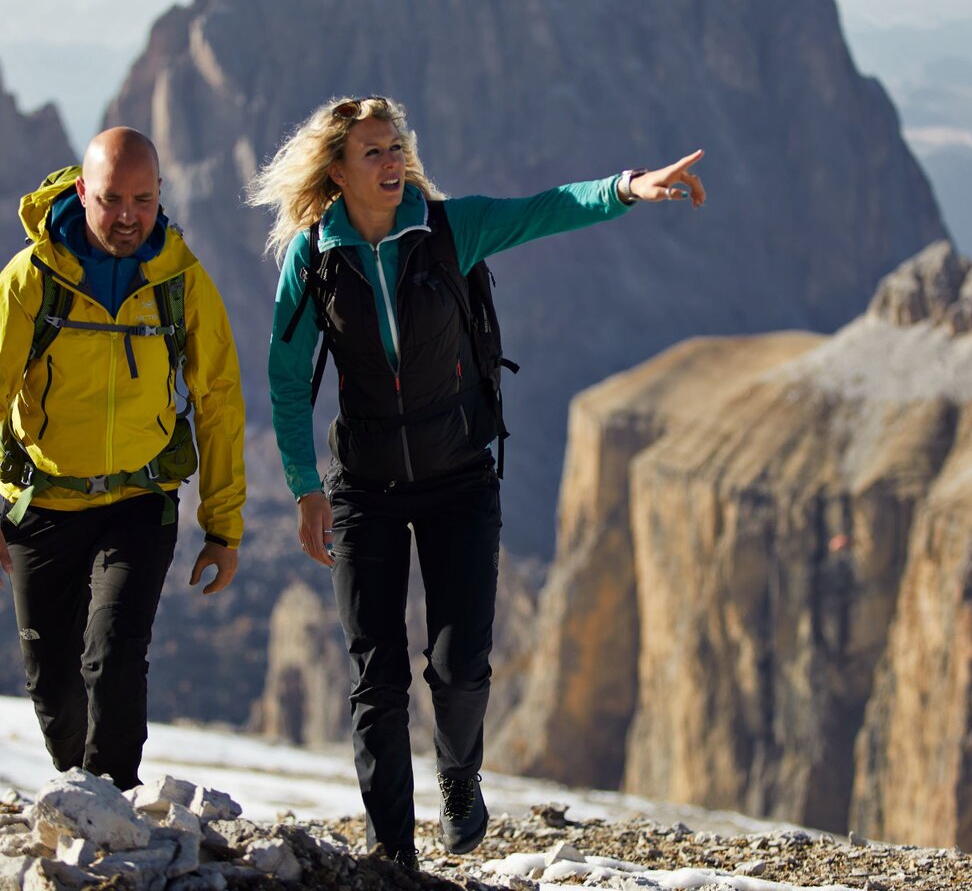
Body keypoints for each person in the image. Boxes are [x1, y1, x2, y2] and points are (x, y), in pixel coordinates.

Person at [250, 95, 705, 868]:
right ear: (337, 170)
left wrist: (628, 186)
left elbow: (545, 210)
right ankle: (393, 853)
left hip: (460, 477)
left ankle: (460, 780)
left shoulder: (449, 228)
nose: (393, 163)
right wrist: (306, 486)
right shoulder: (313, 258)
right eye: (373, 153)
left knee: (459, 667)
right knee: (376, 677)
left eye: (396, 148)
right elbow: (288, 380)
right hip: (365, 488)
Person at [0, 127, 246, 791]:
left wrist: (223, 528)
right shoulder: (30, 280)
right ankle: (88, 797)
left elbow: (219, 401)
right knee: (52, 687)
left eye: (142, 198)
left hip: (139, 501)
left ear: (160, 193)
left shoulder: (181, 281)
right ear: (82, 193)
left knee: (114, 655)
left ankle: (116, 810)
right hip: (44, 504)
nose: (129, 215)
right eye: (111, 200)